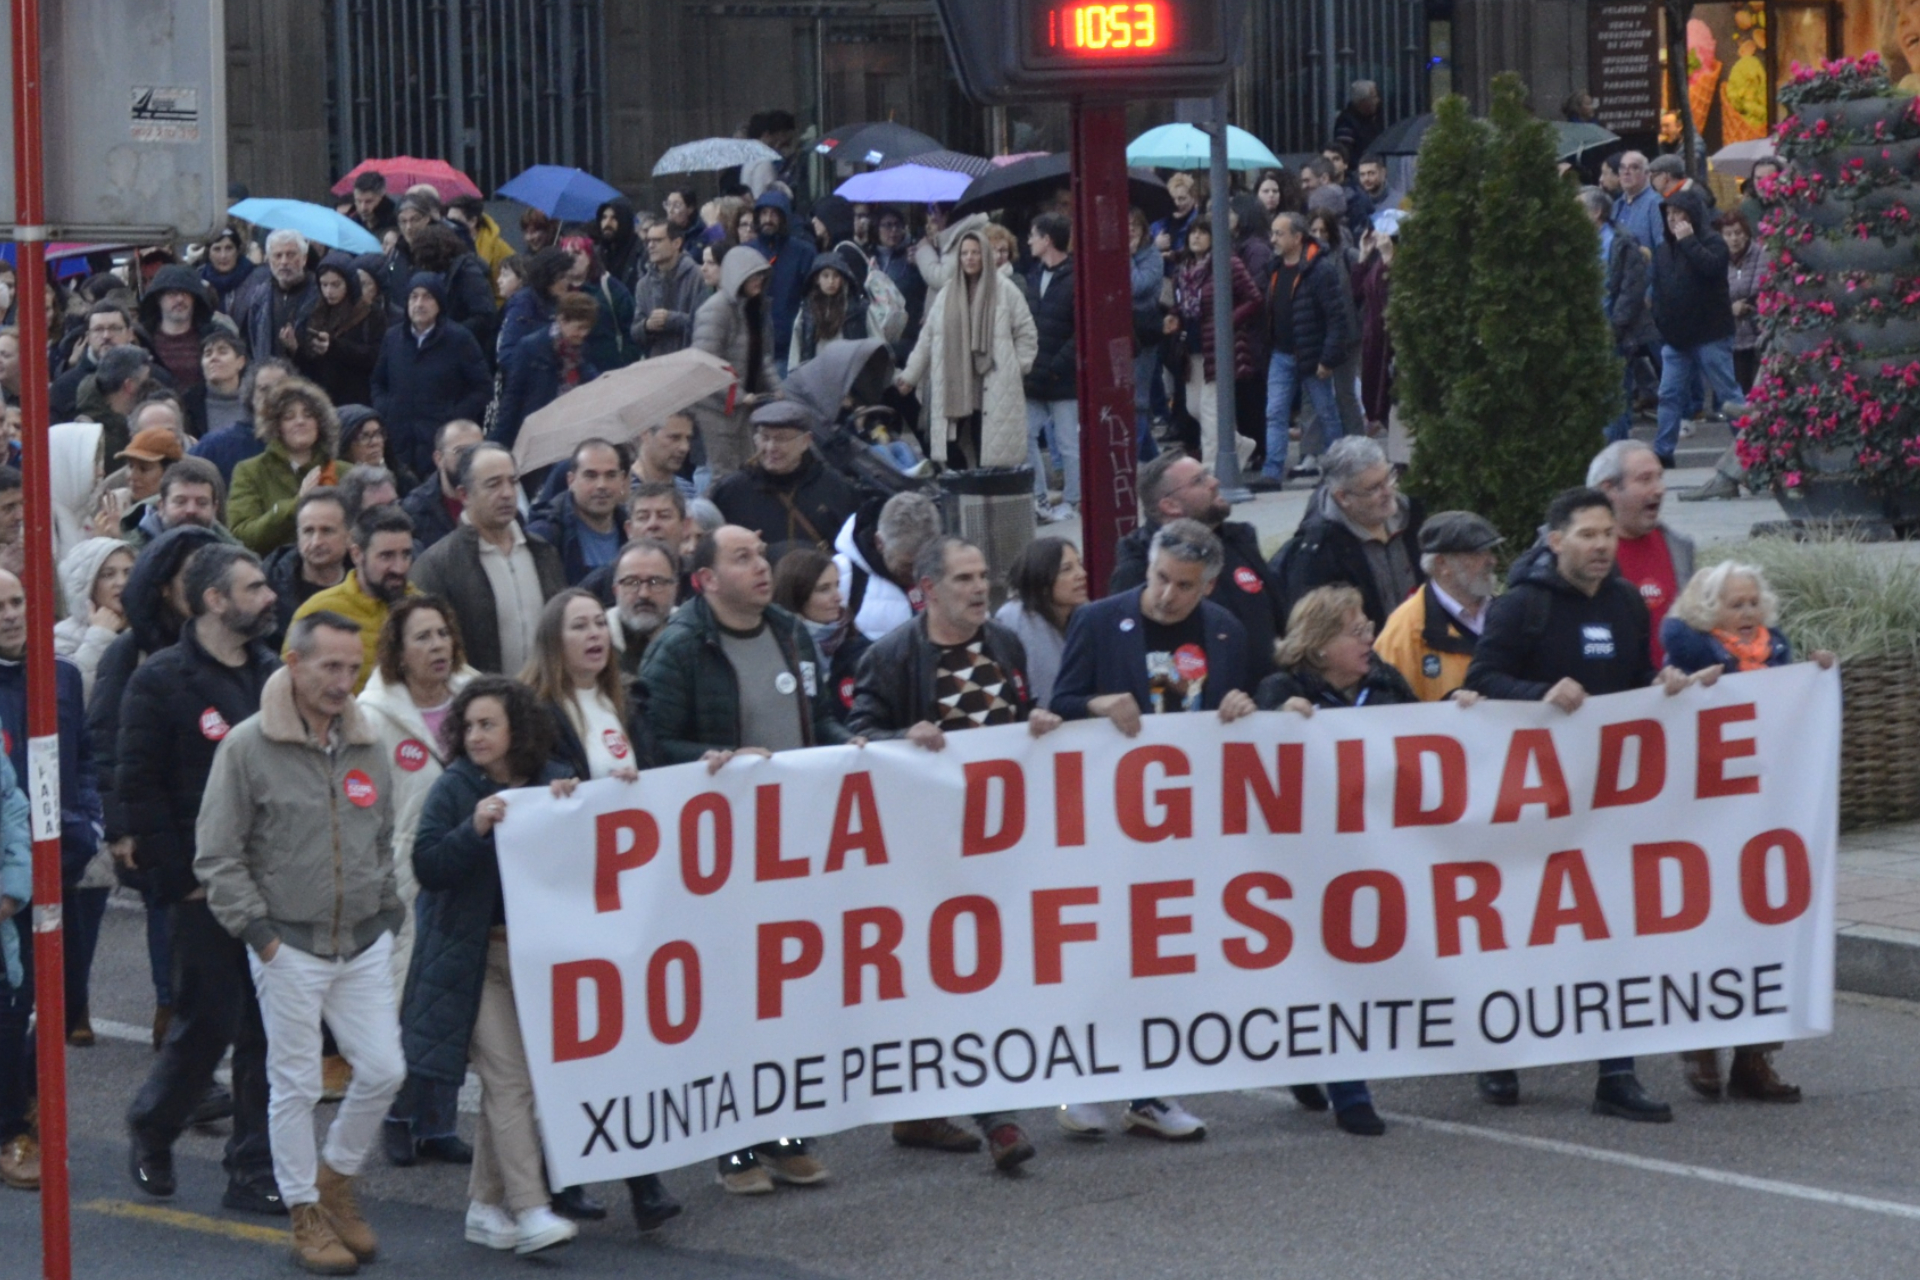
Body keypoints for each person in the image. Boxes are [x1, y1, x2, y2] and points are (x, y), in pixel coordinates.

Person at [1464, 487, 1703, 1122]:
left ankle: (1616, 1075)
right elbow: (1480, 683)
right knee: (1523, 930)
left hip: (1606, 804)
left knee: (1611, 932)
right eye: (1588, 535)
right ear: (1556, 540)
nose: (1602, 546)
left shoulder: (1627, 603)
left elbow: (1632, 683)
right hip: (1534, 805)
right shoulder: (1522, 608)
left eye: (1607, 535)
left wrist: (1662, 686)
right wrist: (1540, 692)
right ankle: (1499, 1052)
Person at [641, 526, 856, 1193]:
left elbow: (816, 722)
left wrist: (857, 747)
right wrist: (718, 765)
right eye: (742, 558)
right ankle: (733, 1144)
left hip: (793, 852)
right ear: (704, 580)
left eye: (761, 555)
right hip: (720, 857)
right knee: (731, 999)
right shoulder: (679, 649)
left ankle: (786, 1132)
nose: (761, 566)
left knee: (785, 995)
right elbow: (653, 745)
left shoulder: (791, 632)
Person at [194, 610, 406, 1273]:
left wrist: (388, 908)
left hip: (363, 943)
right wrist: (260, 935)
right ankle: (304, 1210)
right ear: (293, 662)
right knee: (294, 1086)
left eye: (353, 667)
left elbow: (381, 834)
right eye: (330, 666)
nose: (344, 681)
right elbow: (217, 855)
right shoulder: (249, 746)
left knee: (383, 1070)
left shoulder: (369, 742)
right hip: (287, 947)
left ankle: (336, 1179)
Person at [849, 536, 1057, 1172]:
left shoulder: (1003, 644)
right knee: (949, 978)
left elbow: (1013, 718)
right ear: (929, 589)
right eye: (964, 578)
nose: (979, 589)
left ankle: (923, 1113)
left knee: (979, 977)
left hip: (995, 846)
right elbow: (855, 737)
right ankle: (997, 1121)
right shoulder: (891, 657)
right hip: (925, 851)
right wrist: (897, 737)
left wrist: (1036, 722)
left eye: (983, 576)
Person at [1049, 520, 1253, 1142]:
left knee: (1165, 965)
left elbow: (1240, 701)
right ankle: (1083, 1084)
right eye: (1161, 578)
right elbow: (1057, 703)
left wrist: (1247, 704)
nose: (1168, 596)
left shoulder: (1224, 629)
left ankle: (1149, 1093)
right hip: (1112, 826)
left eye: (1185, 586)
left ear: (1209, 585)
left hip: (1187, 830)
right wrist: (1094, 705)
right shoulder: (1099, 621)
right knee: (1105, 957)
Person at [1262, 585, 1480, 1135]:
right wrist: (1269, 721)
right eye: (1354, 631)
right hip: (1307, 861)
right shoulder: (1281, 691)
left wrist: (1456, 717)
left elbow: (1419, 749)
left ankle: (1314, 1063)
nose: (1368, 639)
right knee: (1327, 968)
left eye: (1368, 628)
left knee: (1363, 965)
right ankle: (1349, 1090)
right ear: (1316, 645)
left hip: (1378, 854)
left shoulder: (1384, 685)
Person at [120, 545, 283, 1214]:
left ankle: (251, 1171)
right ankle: (155, 1124)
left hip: (273, 886)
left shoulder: (275, 675)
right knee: (209, 1022)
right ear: (215, 600)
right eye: (253, 587)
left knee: (267, 1033)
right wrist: (177, 880)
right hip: (201, 888)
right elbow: (139, 789)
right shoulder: (160, 680)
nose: (270, 595)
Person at [402, 676, 582, 1254]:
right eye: (469, 725)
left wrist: (596, 797)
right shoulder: (455, 788)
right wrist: (474, 828)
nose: (475, 736)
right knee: (510, 1079)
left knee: (516, 1083)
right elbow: (428, 864)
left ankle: (484, 1207)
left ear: (517, 731)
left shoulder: (551, 780)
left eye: (488, 725)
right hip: (473, 958)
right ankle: (530, 1209)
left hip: (534, 959)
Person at [1658, 561, 1833, 1102]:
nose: (1747, 614)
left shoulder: (1775, 650)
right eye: (1736, 605)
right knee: (1710, 929)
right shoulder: (1688, 655)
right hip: (1708, 818)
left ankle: (1756, 1057)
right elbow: (1661, 709)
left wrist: (1818, 672)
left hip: (1766, 817)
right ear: (1710, 611)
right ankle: (1703, 1047)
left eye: (1753, 603)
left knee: (1769, 928)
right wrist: (1682, 688)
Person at [359, 598, 478, 1170]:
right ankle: (397, 1117)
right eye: (422, 638)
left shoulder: (477, 696)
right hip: (404, 873)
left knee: (455, 998)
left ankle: (439, 1122)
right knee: (406, 1000)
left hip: (470, 865)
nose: (437, 646)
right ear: (398, 654)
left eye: (442, 634)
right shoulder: (375, 714)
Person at [1114, 452, 1284, 679]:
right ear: (1170, 505)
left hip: (1267, 704)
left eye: (1207, 475)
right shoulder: (1138, 568)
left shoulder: (1238, 541)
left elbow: (1282, 621)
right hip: (1196, 709)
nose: (1215, 483)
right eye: (1199, 481)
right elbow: (1132, 659)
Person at [410, 443, 566, 674]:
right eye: (493, 484)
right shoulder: (437, 566)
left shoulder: (543, 553)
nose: (506, 493)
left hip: (543, 700)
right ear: (464, 494)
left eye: (512, 482)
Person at [1271, 436, 1423, 629]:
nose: (1388, 491)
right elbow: (1318, 634)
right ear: (1342, 497)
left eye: (1389, 478)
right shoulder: (1318, 552)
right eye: (1374, 488)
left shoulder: (1414, 518)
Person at [1650, 187, 1744, 468]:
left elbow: (1712, 268)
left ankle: (1750, 445)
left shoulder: (1712, 241)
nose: (1673, 219)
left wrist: (1689, 241)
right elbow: (1658, 290)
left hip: (1710, 333)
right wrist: (1661, 322)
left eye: (1679, 213)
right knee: (1668, 394)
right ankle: (1663, 451)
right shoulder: (1663, 250)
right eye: (1669, 214)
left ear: (1693, 216)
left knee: (1727, 393)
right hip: (1677, 337)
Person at [371, 274, 493, 482]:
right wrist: (388, 409)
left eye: (427, 297)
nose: (419, 304)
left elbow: (482, 388)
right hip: (400, 439)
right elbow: (378, 382)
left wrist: (452, 416)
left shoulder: (459, 339)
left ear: (439, 303)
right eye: (414, 297)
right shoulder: (393, 338)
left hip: (439, 441)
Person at [291, 504, 420, 694]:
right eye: (386, 556)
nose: (399, 568)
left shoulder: (424, 609)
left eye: (406, 554)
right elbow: (292, 686)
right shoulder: (318, 611)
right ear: (357, 554)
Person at [1373, 511, 1501, 701]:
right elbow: (1386, 708)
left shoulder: (1508, 613)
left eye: (1489, 551)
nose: (1491, 561)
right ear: (1442, 564)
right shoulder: (1404, 630)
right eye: (1476, 553)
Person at [1166, 219, 1262, 475]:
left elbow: (1254, 298)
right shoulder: (1183, 268)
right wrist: (1175, 315)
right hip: (1192, 345)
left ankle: (1210, 471)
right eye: (1192, 233)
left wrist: (1227, 320)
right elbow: (1182, 303)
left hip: (1217, 346)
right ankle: (1238, 443)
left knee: (1210, 410)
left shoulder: (1228, 262)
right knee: (1194, 407)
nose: (1196, 237)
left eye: (1203, 233)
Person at [1588, 439, 1694, 667]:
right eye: (1645, 479)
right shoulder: (1567, 554)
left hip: (1674, 694)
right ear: (1609, 490)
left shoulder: (1679, 548)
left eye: (1659, 477)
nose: (1660, 489)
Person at [710, 399, 859, 555]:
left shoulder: (836, 489)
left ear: (805, 441)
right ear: (755, 439)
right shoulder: (731, 492)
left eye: (781, 439)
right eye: (765, 438)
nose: (771, 447)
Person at [1263, 212, 1349, 483]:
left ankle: (1338, 469)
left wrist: (1327, 358)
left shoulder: (1319, 269)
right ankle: (1272, 471)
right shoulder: (1275, 267)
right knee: (1275, 412)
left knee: (1326, 413)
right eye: (1273, 233)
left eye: (1279, 233)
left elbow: (1337, 316)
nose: (1273, 239)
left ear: (1297, 237)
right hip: (1281, 353)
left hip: (1312, 355)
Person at [692, 246, 780, 481]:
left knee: (748, 471)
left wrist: (777, 388)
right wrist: (740, 395)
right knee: (725, 475)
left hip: (743, 407)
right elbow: (706, 364)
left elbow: (761, 357)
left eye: (762, 275)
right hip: (717, 409)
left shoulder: (754, 309)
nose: (759, 280)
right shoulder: (714, 310)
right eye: (754, 275)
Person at [1577, 187, 1657, 444]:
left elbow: (1631, 291)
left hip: (1614, 332)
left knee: (1614, 397)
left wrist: (1615, 328)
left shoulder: (1620, 242)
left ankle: (1615, 453)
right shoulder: (1579, 245)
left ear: (1596, 212)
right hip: (1587, 331)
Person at [228, 377, 341, 555]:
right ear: (276, 425)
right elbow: (242, 536)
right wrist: (296, 504)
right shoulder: (250, 471)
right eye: (289, 416)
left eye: (308, 415)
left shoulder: (346, 472)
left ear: (320, 423)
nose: (300, 421)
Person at [491, 291, 601, 452]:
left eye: (587, 328)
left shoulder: (582, 351)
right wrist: (496, 443)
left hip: (571, 429)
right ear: (562, 320)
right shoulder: (530, 347)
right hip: (538, 432)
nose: (583, 334)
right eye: (579, 328)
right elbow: (513, 398)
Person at [1024, 213, 1080, 522]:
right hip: (1034, 374)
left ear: (1047, 240)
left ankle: (1072, 500)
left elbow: (1079, 330)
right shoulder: (1034, 275)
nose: (1029, 241)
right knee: (1025, 434)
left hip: (1061, 376)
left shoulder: (1074, 277)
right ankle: (1039, 497)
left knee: (1068, 443)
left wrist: (1058, 365)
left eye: (1034, 235)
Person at [770, 547, 867, 720]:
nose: (838, 597)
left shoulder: (861, 648)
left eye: (837, 585)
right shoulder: (774, 649)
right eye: (824, 589)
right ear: (796, 595)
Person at [833, 489, 941, 642]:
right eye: (907, 566)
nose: (917, 573)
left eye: (926, 562)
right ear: (879, 543)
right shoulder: (841, 577)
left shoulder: (952, 568)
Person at [993, 536, 1087, 709]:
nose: (1081, 574)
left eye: (1080, 564)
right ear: (1041, 577)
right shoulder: (1015, 617)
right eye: (1067, 569)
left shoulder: (1086, 616)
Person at [527, 438, 629, 586]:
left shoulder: (634, 531)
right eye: (591, 476)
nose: (602, 485)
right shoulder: (546, 537)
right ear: (571, 481)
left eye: (611, 475)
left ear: (622, 480)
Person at [262, 488, 351, 650]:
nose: (316, 541)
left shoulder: (368, 584)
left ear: (349, 536)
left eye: (327, 530)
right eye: (308, 531)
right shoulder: (268, 586)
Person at [297, 253, 386, 409]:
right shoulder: (315, 311)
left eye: (335, 285)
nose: (329, 291)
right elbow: (310, 363)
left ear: (349, 283)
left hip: (357, 399)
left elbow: (375, 356)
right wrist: (296, 348)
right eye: (324, 285)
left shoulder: (370, 313)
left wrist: (334, 347)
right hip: (322, 401)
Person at [55, 537, 135, 698]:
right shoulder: (61, 636)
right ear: (87, 583)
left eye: (128, 573)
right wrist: (99, 636)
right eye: (108, 575)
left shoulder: (147, 627)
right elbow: (72, 695)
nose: (121, 582)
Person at [193, 354, 290, 483]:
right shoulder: (216, 446)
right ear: (252, 396)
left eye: (281, 388)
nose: (272, 395)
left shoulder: (305, 443)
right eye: (264, 389)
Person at [751, 188, 817, 371]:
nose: (768, 219)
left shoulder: (803, 252)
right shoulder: (747, 251)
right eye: (763, 213)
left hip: (789, 346)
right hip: (753, 344)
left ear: (784, 217)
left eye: (774, 214)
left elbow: (812, 296)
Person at [235, 229, 320, 367]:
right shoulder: (259, 297)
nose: (284, 261)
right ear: (268, 260)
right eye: (278, 255)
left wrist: (296, 349)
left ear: (304, 258)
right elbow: (249, 344)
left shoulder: (319, 293)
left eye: (291, 254)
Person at [401, 418, 485, 554]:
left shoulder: (495, 498)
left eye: (477, 451)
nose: (470, 459)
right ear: (438, 459)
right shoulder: (415, 510)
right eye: (460, 452)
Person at [606, 538, 680, 676]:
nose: (644, 594)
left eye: (656, 582)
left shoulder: (696, 643)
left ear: (675, 589)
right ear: (616, 590)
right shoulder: (596, 647)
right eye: (631, 582)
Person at [788, 246, 870, 369]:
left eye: (836, 276)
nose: (831, 281)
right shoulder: (807, 310)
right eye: (825, 276)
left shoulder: (856, 308)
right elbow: (796, 344)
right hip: (816, 372)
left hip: (848, 372)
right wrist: (794, 374)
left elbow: (876, 340)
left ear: (842, 279)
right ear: (817, 279)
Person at [632, 218, 702, 358]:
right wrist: (647, 326)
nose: (650, 246)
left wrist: (672, 319)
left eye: (657, 240)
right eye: (648, 241)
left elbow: (705, 324)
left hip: (691, 361)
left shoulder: (698, 276)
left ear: (676, 243)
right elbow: (635, 331)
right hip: (658, 366)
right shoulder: (643, 284)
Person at [1722, 210, 1763, 392]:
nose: (1734, 239)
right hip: (1732, 333)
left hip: (1757, 329)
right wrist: (1730, 308)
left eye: (1738, 233)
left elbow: (1759, 287)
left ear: (1746, 234)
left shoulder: (1759, 254)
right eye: (1728, 234)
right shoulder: (1719, 259)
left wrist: (1744, 305)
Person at [631, 411, 697, 500]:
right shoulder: (620, 492)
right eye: (674, 437)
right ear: (645, 434)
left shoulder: (689, 493)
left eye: (688, 439)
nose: (684, 448)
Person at [1612, 152, 1664, 261]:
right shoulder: (1616, 205)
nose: (1626, 172)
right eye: (1622, 167)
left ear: (1647, 173)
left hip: (1645, 275)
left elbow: (1662, 249)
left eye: (1634, 167)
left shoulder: (1655, 204)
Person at [201, 225, 261, 316]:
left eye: (229, 248)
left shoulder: (256, 279)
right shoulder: (200, 281)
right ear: (209, 253)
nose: (223, 256)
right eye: (217, 249)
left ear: (237, 251)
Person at [1333, 80, 1386, 166]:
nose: (1377, 101)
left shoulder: (1372, 119)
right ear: (1362, 101)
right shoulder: (1346, 123)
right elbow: (1344, 153)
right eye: (1374, 97)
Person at [346, 172, 397, 237]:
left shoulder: (398, 220)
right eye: (358, 201)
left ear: (381, 196)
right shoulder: (351, 221)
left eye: (369, 201)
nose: (363, 208)